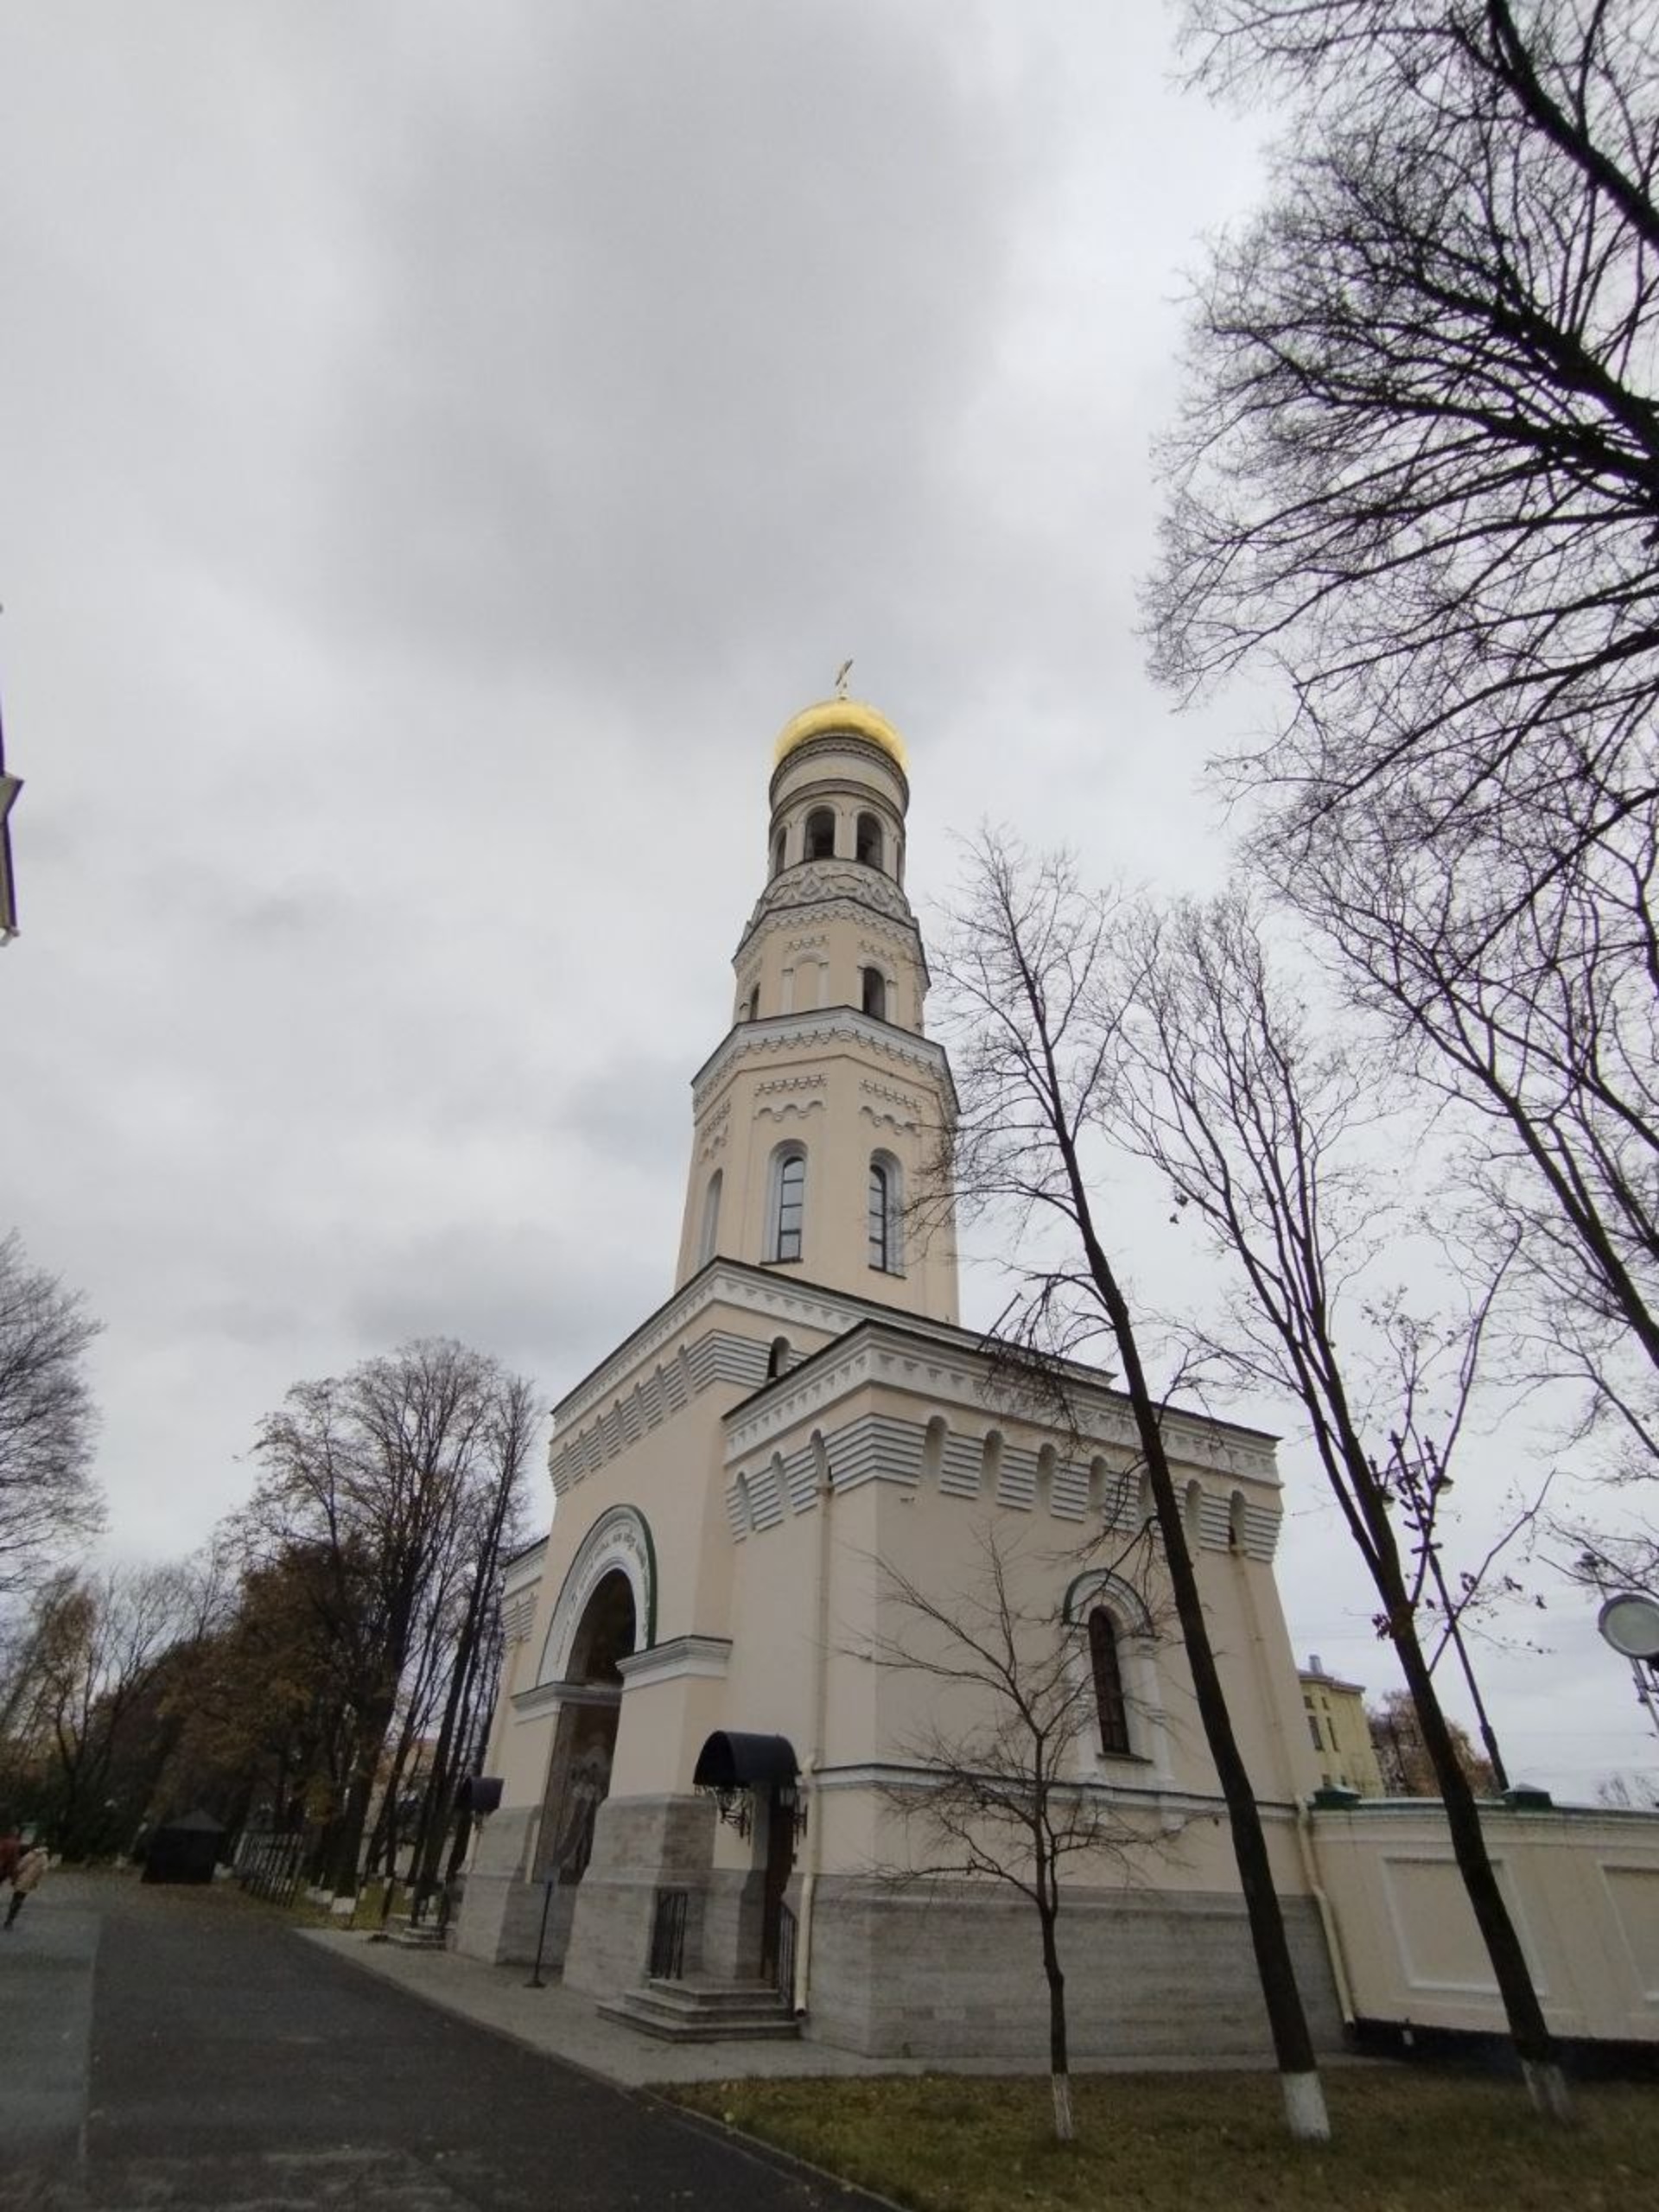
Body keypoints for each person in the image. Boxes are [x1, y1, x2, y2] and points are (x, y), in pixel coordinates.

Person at [5, 1844, 48, 1929]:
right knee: (20, 1900)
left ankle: (9, 1920)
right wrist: (36, 1882)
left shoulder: (31, 1855)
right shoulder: (45, 1858)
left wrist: (14, 1877)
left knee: (15, 1899)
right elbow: (43, 1872)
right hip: (30, 1882)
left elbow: (20, 1866)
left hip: (22, 1880)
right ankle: (11, 1919)